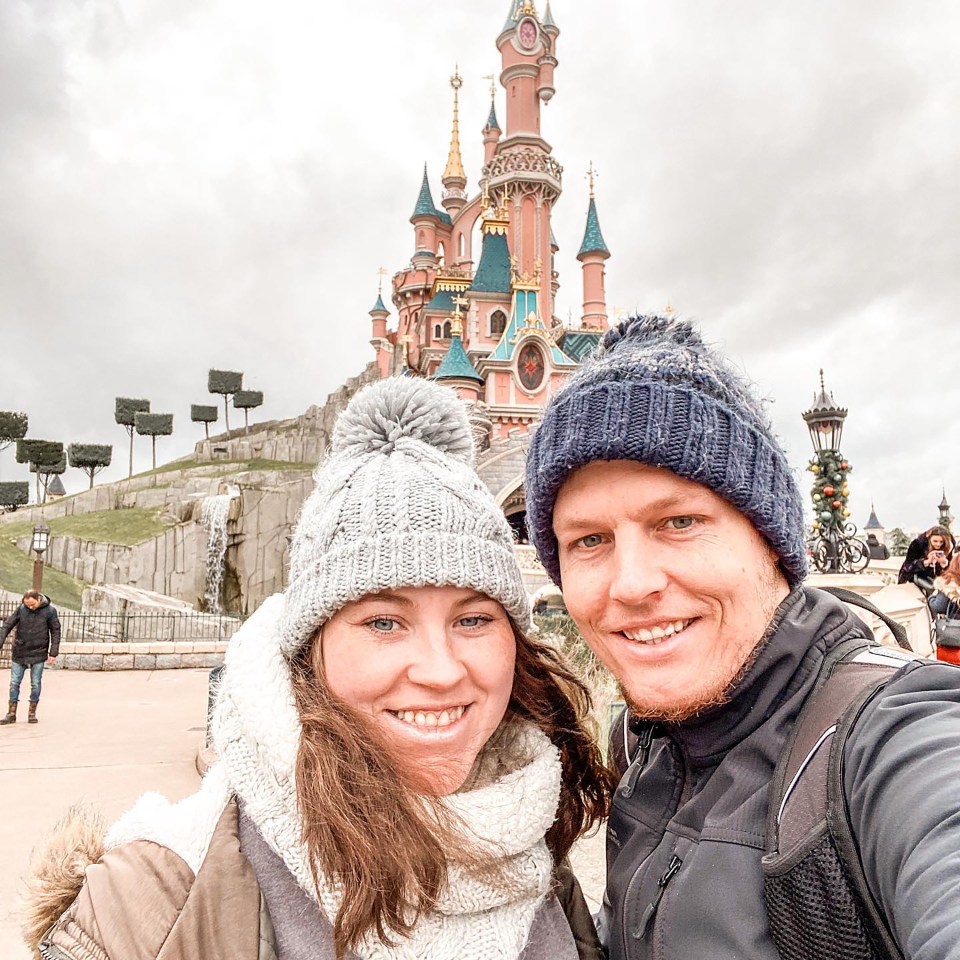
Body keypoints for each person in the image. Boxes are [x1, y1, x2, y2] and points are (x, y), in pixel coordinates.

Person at [27, 377, 614, 960]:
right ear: (311, 648)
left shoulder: (538, 851)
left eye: (473, 620)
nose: (440, 671)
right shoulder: (152, 899)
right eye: (384, 622)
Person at [524, 314, 960, 959]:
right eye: (589, 540)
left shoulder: (890, 741)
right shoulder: (641, 742)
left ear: (771, 544)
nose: (632, 584)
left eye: (679, 521)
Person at [0, 589, 60, 725]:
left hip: (39, 651)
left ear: (39, 599)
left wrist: (53, 652)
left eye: (32, 605)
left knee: (35, 683)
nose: (30, 607)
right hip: (20, 650)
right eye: (27, 605)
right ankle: (11, 713)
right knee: (14, 683)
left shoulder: (50, 611)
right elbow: (7, 626)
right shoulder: (21, 609)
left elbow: (55, 631)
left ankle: (32, 713)